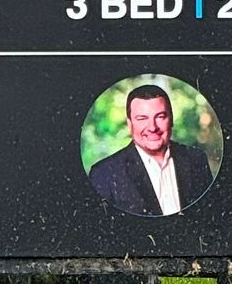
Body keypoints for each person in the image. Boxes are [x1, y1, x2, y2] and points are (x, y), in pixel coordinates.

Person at [87, 81, 214, 216]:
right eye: (142, 118)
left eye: (160, 117)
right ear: (130, 124)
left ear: (171, 119)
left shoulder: (196, 159)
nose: (152, 127)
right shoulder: (104, 173)